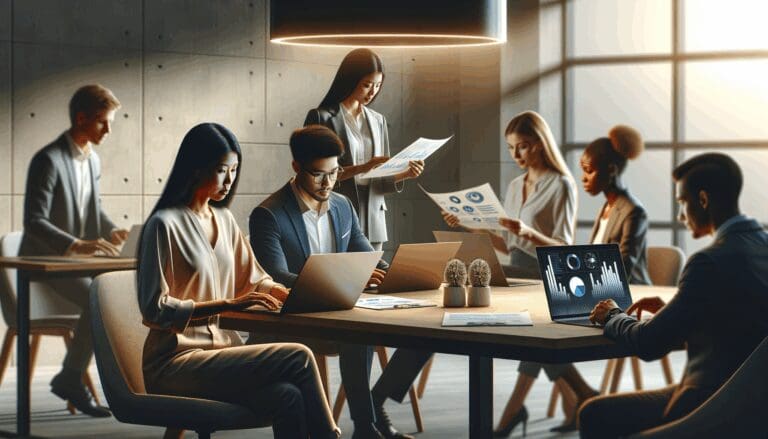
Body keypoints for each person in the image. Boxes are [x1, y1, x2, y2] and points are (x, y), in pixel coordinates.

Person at [137, 123, 339, 439]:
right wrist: (228, 305)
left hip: (222, 354)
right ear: (196, 168)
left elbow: (254, 279)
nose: (229, 180)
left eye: (234, 170)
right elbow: (154, 309)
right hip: (175, 362)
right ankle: (330, 435)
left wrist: (280, 291)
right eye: (221, 170)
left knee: (288, 395)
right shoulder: (164, 225)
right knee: (298, 355)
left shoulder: (224, 219)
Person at [249, 125, 430, 439]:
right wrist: (345, 282)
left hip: (344, 308)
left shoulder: (343, 206)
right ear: (296, 168)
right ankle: (366, 427)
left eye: (335, 173)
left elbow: (367, 256)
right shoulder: (269, 214)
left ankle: (376, 401)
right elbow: (276, 276)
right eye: (319, 174)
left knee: (427, 328)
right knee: (360, 333)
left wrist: (397, 276)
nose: (328, 183)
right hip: (295, 317)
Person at [580, 153, 768, 438]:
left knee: (594, 414)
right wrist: (677, 309)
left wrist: (612, 315)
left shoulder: (709, 261)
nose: (681, 215)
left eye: (683, 203)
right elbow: (743, 313)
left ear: (703, 200)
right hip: (755, 404)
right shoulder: (761, 244)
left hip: (709, 405)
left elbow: (650, 343)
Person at [495, 125, 656, 437]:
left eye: (588, 172)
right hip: (600, 294)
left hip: (625, 299)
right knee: (539, 327)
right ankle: (581, 393)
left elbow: (621, 267)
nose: (583, 179)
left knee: (540, 329)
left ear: (610, 170)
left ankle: (513, 414)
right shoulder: (608, 207)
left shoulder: (633, 211)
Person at [20, 84, 129, 417]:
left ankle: (79, 378)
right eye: (102, 122)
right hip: (42, 264)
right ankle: (71, 378)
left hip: (76, 263)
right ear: (81, 118)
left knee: (116, 293)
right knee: (98, 301)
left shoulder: (91, 160)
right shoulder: (48, 160)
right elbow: (34, 221)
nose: (108, 130)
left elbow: (94, 211)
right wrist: (75, 244)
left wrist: (112, 229)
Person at [305, 48, 424, 250]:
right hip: (336, 211)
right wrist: (364, 167)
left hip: (374, 216)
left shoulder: (378, 121)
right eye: (367, 85)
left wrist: (404, 174)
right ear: (350, 81)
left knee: (375, 278)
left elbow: (381, 179)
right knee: (341, 278)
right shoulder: (321, 118)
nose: (372, 92)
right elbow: (312, 176)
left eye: (378, 86)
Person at [442, 110, 577, 279]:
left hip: (546, 272)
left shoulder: (560, 184)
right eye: (511, 147)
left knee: (475, 274)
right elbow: (508, 247)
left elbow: (565, 249)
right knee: (458, 269)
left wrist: (527, 233)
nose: (515, 155)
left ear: (540, 143)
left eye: (522, 147)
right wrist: (471, 225)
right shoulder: (515, 186)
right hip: (517, 269)